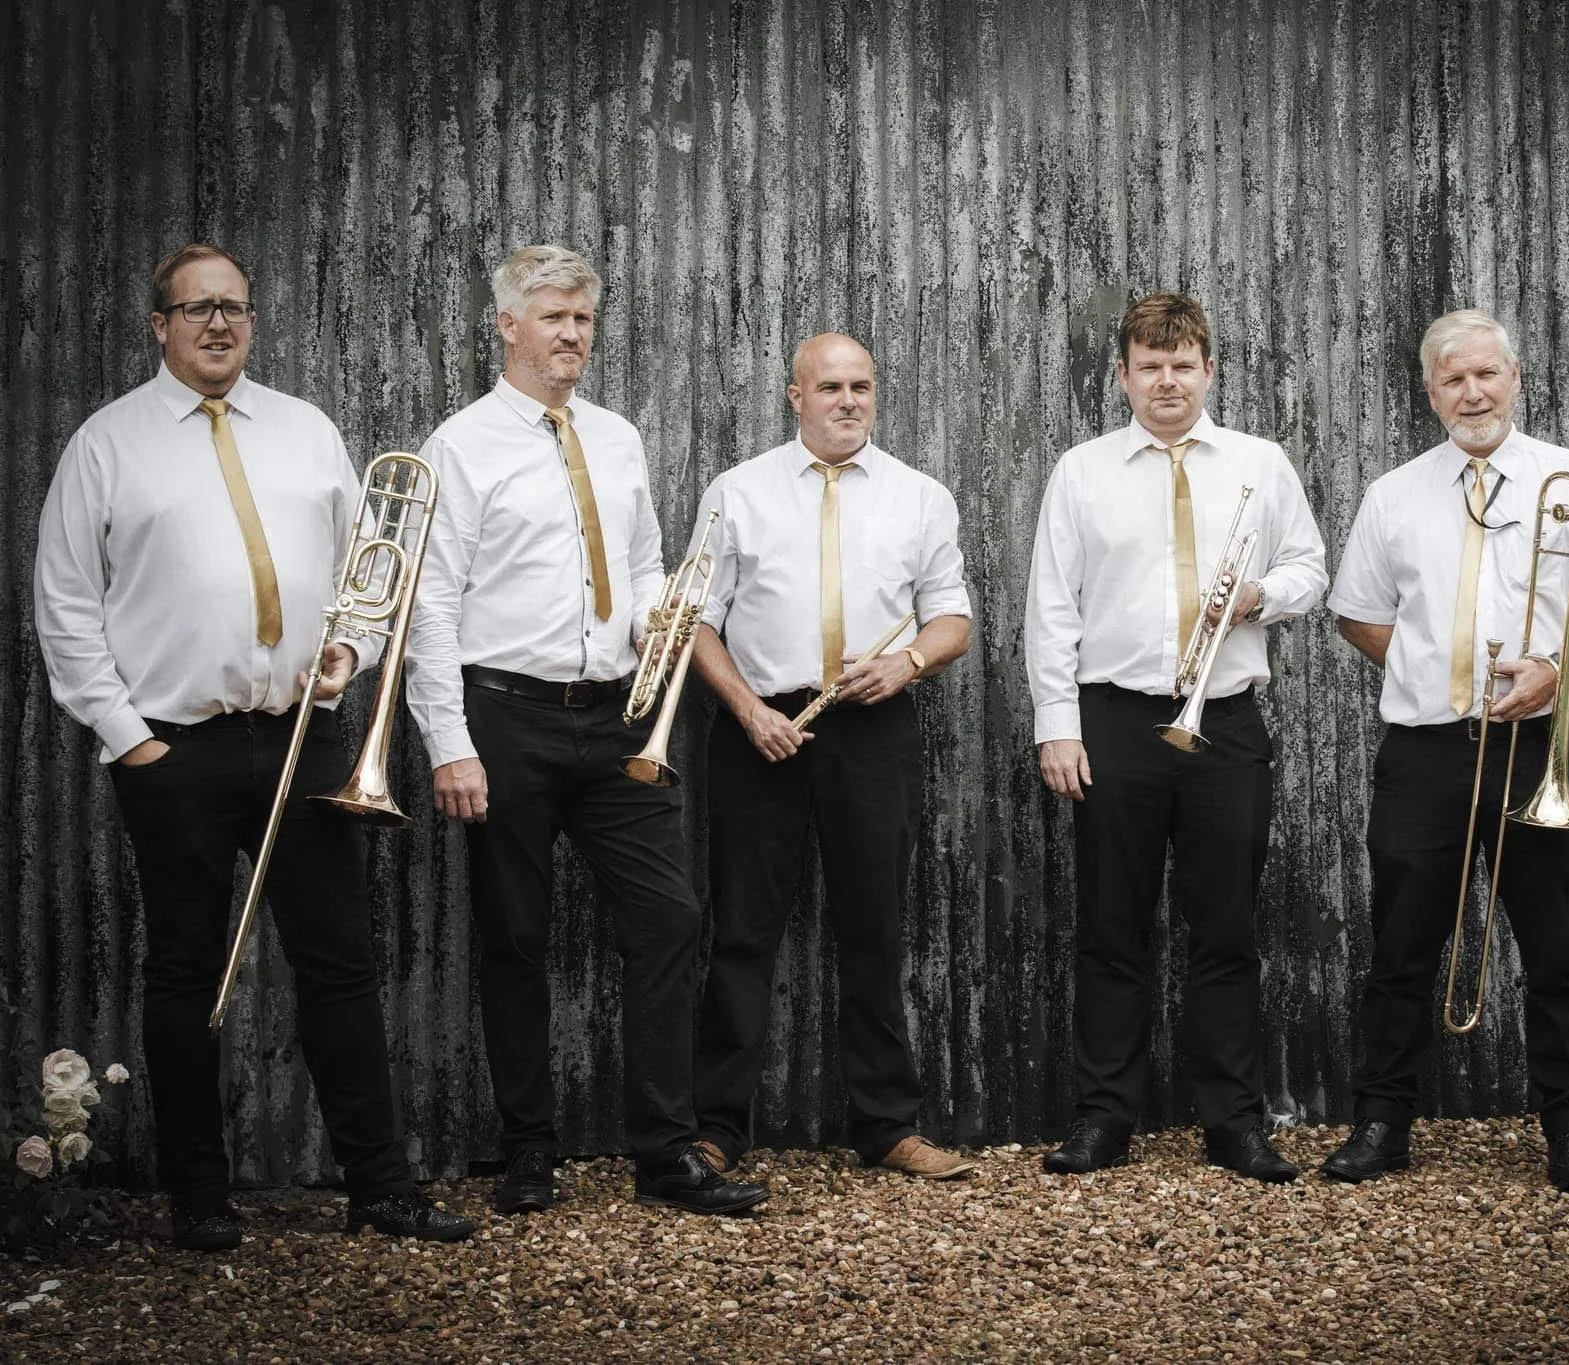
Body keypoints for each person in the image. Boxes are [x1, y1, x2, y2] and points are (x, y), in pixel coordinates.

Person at [33, 242, 474, 1249]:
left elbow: (367, 571)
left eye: (232, 307)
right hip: (172, 749)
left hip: (303, 737)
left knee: (340, 966)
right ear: (160, 325)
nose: (218, 324)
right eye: (196, 309)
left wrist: (353, 652)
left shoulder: (306, 429)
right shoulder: (106, 444)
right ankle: (199, 1196)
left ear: (252, 320)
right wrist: (128, 740)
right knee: (187, 972)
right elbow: (64, 606)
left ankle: (381, 1188)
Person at [405, 244, 765, 1217]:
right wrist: (449, 743)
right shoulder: (459, 445)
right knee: (514, 937)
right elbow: (430, 604)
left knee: (670, 918)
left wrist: (657, 616)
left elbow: (642, 563)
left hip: (616, 718)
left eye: (583, 319)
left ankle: (665, 1151)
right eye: (553, 317)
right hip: (503, 714)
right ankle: (528, 1150)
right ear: (507, 326)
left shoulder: (616, 437)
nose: (572, 334)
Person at [1324, 308, 1569, 1197]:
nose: (1472, 393)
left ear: (1515, 379)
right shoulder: (1394, 493)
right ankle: (1383, 1122)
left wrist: (1555, 669)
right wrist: (1431, 672)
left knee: (1558, 948)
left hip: (1538, 744)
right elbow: (1357, 612)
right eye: (1453, 380)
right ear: (1431, 394)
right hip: (1425, 749)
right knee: (1401, 945)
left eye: (1486, 375)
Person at [1025, 291, 1329, 1183]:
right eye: (1150, 366)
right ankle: (1104, 1118)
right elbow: (1052, 606)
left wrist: (1260, 595)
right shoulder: (1082, 470)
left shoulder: (1260, 463)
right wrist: (1058, 725)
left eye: (1183, 365)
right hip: (1115, 720)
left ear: (1209, 371)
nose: (1168, 381)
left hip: (1224, 720)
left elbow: (1310, 567)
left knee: (1226, 928)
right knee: (1110, 926)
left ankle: (1234, 1122)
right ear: (1123, 376)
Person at [687, 332, 977, 1181]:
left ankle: (887, 1127)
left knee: (874, 928)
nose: (849, 401)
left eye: (861, 386)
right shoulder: (737, 491)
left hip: (871, 726)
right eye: (830, 387)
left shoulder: (920, 496)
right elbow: (695, 621)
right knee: (742, 930)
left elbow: (953, 618)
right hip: (761, 729)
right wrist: (748, 710)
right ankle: (716, 1129)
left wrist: (907, 663)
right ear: (796, 396)